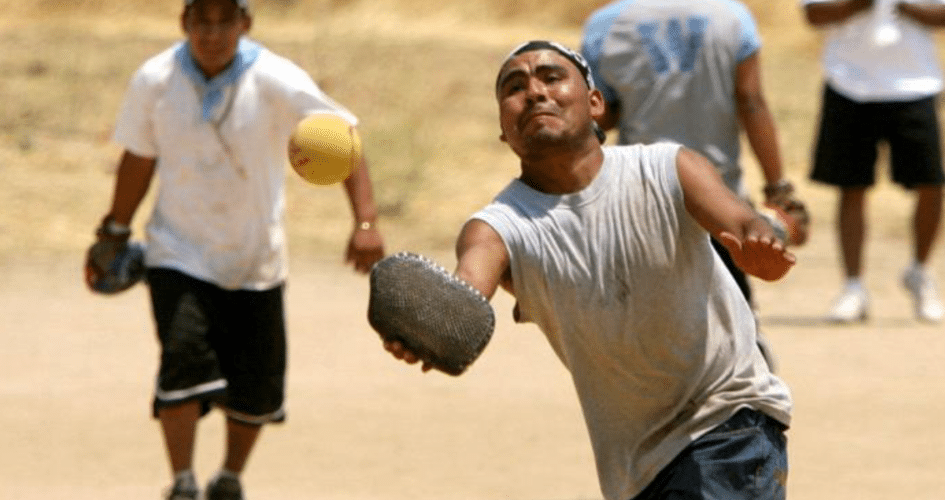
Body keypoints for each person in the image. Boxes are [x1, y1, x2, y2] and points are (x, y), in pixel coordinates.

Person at [385, 41, 793, 500]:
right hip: (634, 469)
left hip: (727, 421)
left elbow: (744, 224)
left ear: (596, 103)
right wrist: (427, 330)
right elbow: (464, 299)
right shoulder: (498, 228)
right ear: (504, 128)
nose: (536, 92)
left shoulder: (665, 169)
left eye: (551, 77)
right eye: (515, 88)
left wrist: (762, 246)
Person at [87, 0, 385, 499]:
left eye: (224, 20)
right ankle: (182, 482)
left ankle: (229, 480)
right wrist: (114, 229)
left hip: (255, 258)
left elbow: (341, 136)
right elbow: (138, 157)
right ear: (185, 23)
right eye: (201, 20)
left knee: (257, 386)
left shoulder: (275, 79)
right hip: (176, 250)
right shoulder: (155, 79)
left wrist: (366, 221)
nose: (212, 32)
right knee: (181, 361)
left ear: (245, 24)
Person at [579, 0, 806, 319]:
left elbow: (598, 115)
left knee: (648, 316)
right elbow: (750, 102)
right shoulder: (732, 16)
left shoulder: (605, 25)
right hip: (720, 198)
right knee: (732, 315)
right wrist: (776, 187)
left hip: (640, 195)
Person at [802, 0, 945, 323]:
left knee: (931, 182)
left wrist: (905, 7)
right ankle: (853, 287)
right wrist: (859, 4)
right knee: (852, 185)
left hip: (915, 84)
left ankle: (920, 272)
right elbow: (813, 14)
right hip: (848, 82)